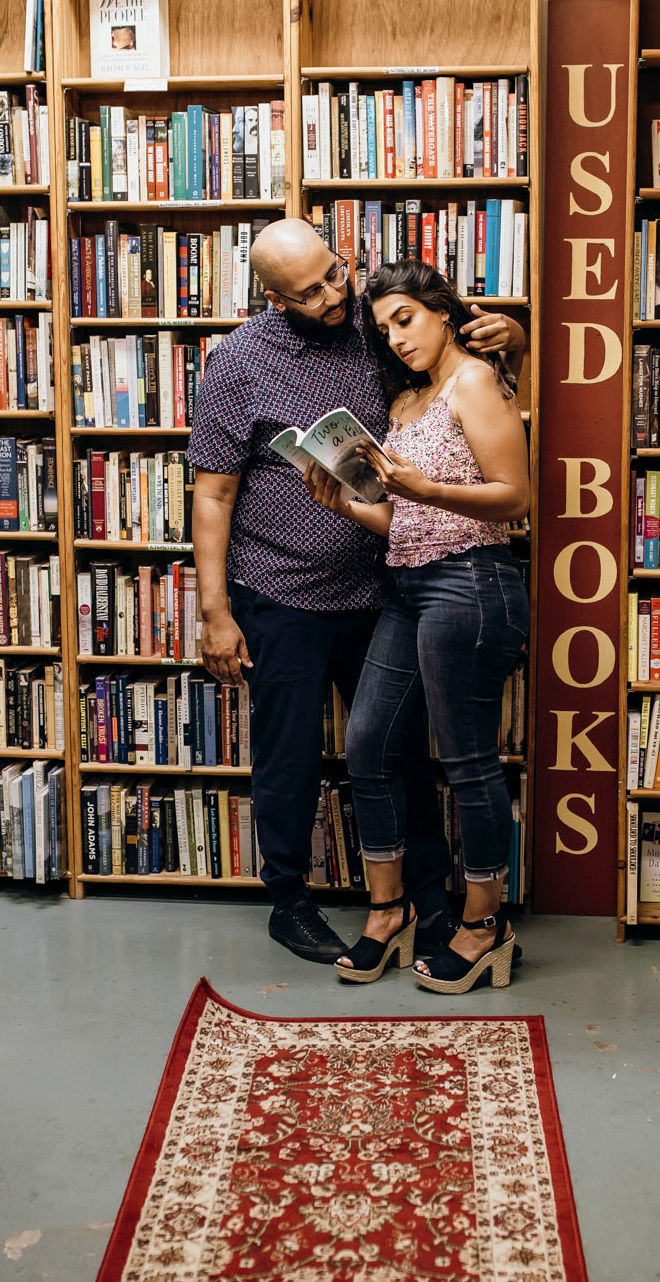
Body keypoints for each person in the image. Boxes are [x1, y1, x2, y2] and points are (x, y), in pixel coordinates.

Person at [187, 220, 527, 965]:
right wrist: (216, 611)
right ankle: (291, 900)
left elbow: (463, 364)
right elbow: (212, 491)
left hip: (385, 583)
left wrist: (519, 336)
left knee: (398, 751)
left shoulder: (375, 327)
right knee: (291, 755)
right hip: (280, 590)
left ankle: (429, 902)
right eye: (311, 293)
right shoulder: (238, 362)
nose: (335, 295)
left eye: (337, 275)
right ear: (276, 299)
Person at [299, 259, 530, 993]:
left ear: (441, 312)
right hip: (406, 583)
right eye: (385, 328)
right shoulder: (403, 404)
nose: (396, 338)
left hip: (472, 582)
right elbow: (404, 517)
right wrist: (344, 506)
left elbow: (515, 498)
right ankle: (388, 909)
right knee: (367, 745)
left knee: (467, 762)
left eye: (406, 319)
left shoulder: (477, 382)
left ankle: (484, 925)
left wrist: (426, 485)